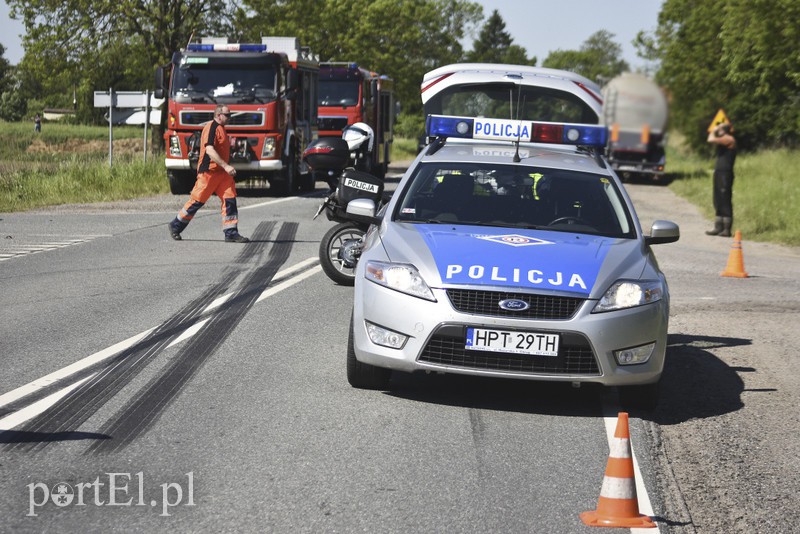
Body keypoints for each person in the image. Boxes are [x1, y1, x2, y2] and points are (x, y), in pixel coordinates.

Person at [168, 105, 249, 243]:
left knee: (230, 199)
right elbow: (210, 150)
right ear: (218, 115)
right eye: (227, 115)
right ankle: (175, 225)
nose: (229, 118)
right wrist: (226, 166)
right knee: (197, 201)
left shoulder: (221, 129)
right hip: (209, 173)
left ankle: (231, 232)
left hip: (222, 174)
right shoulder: (211, 128)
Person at [705, 122, 737, 237]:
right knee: (717, 199)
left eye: (720, 128)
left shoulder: (729, 139)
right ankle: (718, 227)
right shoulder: (723, 139)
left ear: (724, 130)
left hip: (725, 173)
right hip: (719, 172)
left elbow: (710, 139)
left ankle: (726, 229)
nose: (718, 129)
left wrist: (714, 130)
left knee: (725, 199)